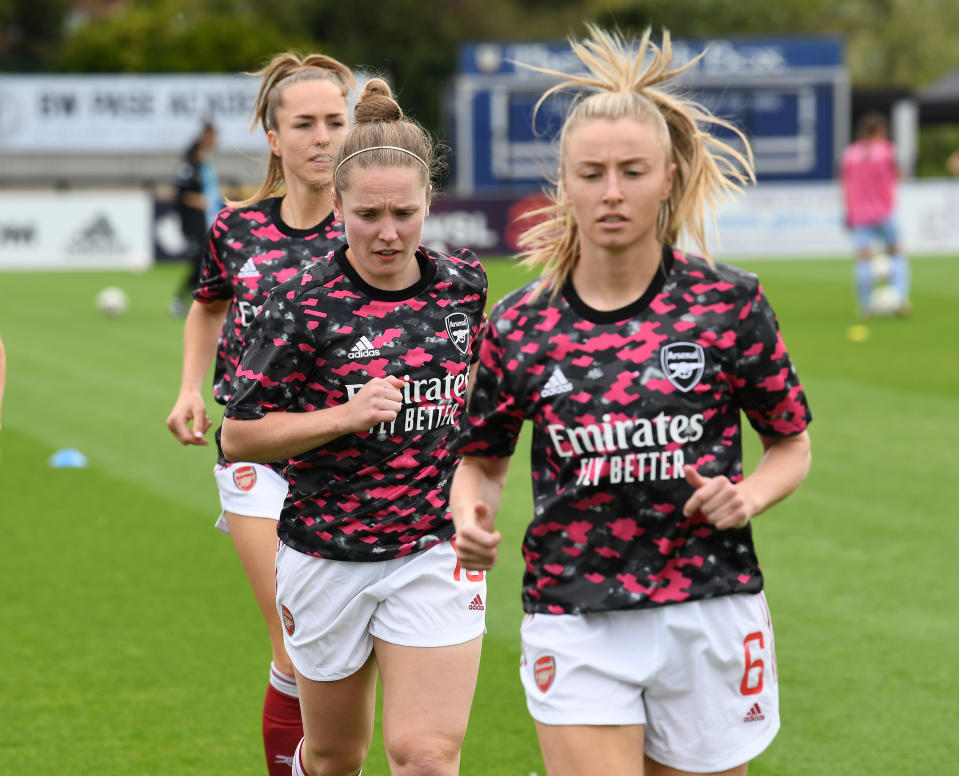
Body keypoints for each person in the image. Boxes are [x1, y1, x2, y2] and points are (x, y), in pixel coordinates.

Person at [449, 25, 812, 776]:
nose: (611, 191)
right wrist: (468, 513)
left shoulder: (728, 302)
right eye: (590, 173)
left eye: (631, 171)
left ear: (668, 177)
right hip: (574, 610)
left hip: (708, 604)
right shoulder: (520, 323)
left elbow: (790, 445)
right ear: (563, 184)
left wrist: (746, 498)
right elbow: (479, 461)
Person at [220, 78, 489, 776]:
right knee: (337, 757)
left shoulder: (464, 283)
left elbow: (480, 406)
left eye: (404, 211)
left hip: (433, 552)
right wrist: (346, 414)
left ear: (430, 203)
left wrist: (476, 496)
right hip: (323, 556)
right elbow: (240, 437)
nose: (388, 232)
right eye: (368, 213)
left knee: (425, 755)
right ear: (337, 206)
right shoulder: (299, 303)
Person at [165, 52, 356, 776]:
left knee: (341, 652)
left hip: (350, 464)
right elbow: (208, 304)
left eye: (334, 121)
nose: (322, 137)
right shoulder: (238, 229)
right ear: (273, 137)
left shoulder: (369, 230)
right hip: (256, 455)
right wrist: (189, 387)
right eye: (303, 123)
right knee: (293, 640)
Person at [839, 111, 910, 316]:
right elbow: (900, 174)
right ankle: (900, 298)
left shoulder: (850, 154)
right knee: (895, 252)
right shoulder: (887, 151)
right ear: (881, 130)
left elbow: (845, 185)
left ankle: (864, 305)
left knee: (863, 259)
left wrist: (848, 212)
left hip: (859, 214)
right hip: (884, 211)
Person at [170, 121, 223, 316]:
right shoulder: (188, 167)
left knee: (207, 261)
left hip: (209, 221)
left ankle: (203, 300)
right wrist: (199, 201)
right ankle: (180, 298)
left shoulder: (205, 165)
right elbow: (180, 194)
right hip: (194, 223)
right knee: (198, 261)